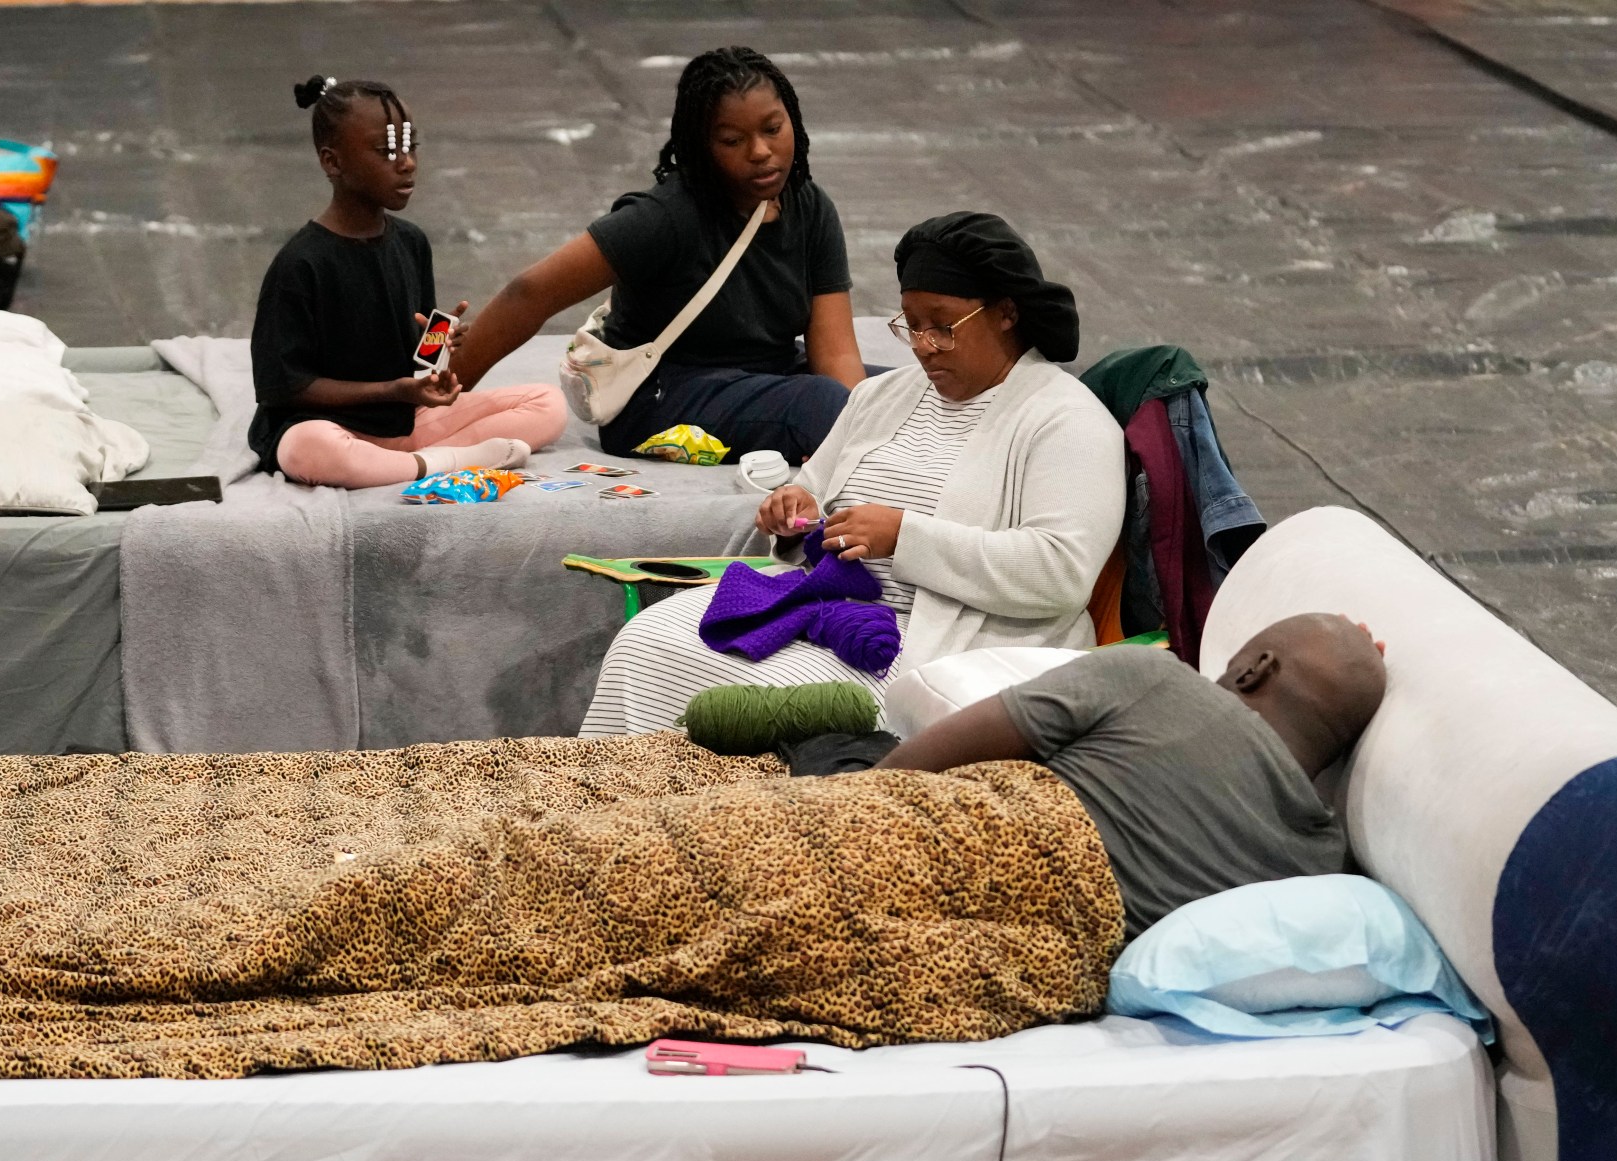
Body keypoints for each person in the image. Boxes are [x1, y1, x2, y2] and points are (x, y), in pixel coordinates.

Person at [577, 211, 1123, 736]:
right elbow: (813, 493)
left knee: (752, 692)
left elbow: (1060, 573)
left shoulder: (1066, 421)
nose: (924, 347)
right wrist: (793, 512)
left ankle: (707, 821)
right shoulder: (881, 396)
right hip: (821, 608)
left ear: (1007, 312)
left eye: (944, 328)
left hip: (938, 644)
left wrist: (903, 536)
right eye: (912, 326)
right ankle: (618, 813)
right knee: (645, 643)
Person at [446, 47, 865, 463]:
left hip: (771, 378)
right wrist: (440, 394)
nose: (759, 151)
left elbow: (837, 353)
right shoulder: (665, 217)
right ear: (702, 146)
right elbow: (530, 293)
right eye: (733, 140)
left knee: (910, 390)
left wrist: (860, 418)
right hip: (663, 396)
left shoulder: (810, 207)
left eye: (773, 129)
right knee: (822, 403)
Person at [875, 613, 1389, 937]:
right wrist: (1347, 673)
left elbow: (898, 774)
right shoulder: (1319, 864)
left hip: (899, 865)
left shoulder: (1153, 678)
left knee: (847, 750)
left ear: (1256, 669)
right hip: (990, 961)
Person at [250, 76, 567, 488]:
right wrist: (392, 391)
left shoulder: (411, 242)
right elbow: (283, 388)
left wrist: (440, 345)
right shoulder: (301, 263)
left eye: (410, 147)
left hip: (404, 422)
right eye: (387, 152)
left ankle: (410, 462)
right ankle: (453, 461)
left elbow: (417, 359)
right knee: (308, 447)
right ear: (332, 162)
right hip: (330, 429)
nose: (407, 163)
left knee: (549, 403)